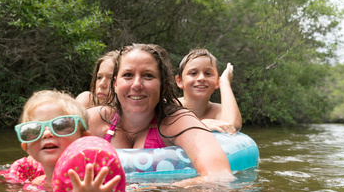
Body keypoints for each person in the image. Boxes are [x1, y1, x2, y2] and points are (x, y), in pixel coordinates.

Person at [87, 43, 234, 182]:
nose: (137, 84)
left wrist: (152, 190)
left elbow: (220, 176)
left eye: (148, 76)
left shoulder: (177, 121)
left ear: (163, 85)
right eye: (128, 75)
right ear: (116, 84)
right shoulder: (95, 119)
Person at [0, 90, 125, 192]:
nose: (47, 134)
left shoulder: (94, 182)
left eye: (60, 125)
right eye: (34, 129)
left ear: (83, 138)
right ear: (27, 148)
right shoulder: (34, 186)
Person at [175, 48, 242, 135]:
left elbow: (232, 125)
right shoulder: (170, 106)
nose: (201, 78)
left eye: (208, 73)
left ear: (217, 82)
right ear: (180, 81)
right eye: (193, 73)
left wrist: (224, 82)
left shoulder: (217, 111)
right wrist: (201, 124)